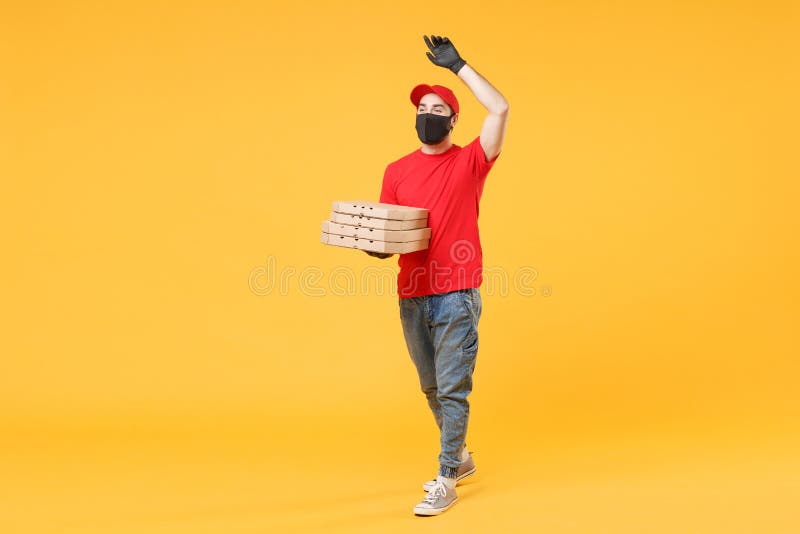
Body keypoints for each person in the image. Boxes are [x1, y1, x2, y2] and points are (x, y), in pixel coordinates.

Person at [365, 35, 509, 516]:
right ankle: (462, 458)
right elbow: (392, 230)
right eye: (421, 107)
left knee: (452, 386)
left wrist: (459, 67)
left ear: (451, 118)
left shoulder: (471, 161)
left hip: (456, 293)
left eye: (436, 107)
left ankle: (446, 476)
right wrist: (377, 248)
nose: (427, 114)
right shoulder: (396, 170)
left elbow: (501, 109)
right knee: (431, 387)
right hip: (412, 293)